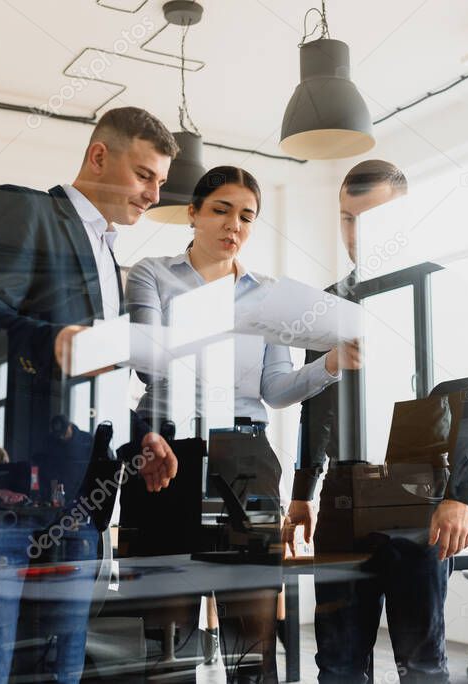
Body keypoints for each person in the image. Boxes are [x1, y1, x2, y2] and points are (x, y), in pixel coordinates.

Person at [0, 106, 181, 684]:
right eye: (145, 175)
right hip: (2, 489)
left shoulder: (111, 258)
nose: (152, 195)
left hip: (80, 494)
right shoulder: (26, 208)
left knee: (60, 666)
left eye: (161, 183)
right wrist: (57, 341)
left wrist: (138, 434)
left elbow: (97, 381)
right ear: (100, 156)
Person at [126, 165, 360, 681]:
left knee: (252, 633)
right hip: (169, 454)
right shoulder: (151, 274)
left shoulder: (271, 295)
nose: (234, 226)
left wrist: (328, 365)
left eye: (247, 217)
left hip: (246, 459)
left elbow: (274, 391)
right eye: (221, 210)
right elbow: (148, 362)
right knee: (167, 634)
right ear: (192, 212)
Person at [281, 160, 468, 683]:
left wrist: (461, 495)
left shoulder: (444, 292)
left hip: (418, 492)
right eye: (348, 219)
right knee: (336, 660)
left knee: (420, 663)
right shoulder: (329, 303)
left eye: (369, 218)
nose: (356, 232)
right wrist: (304, 490)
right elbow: (316, 406)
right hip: (344, 496)